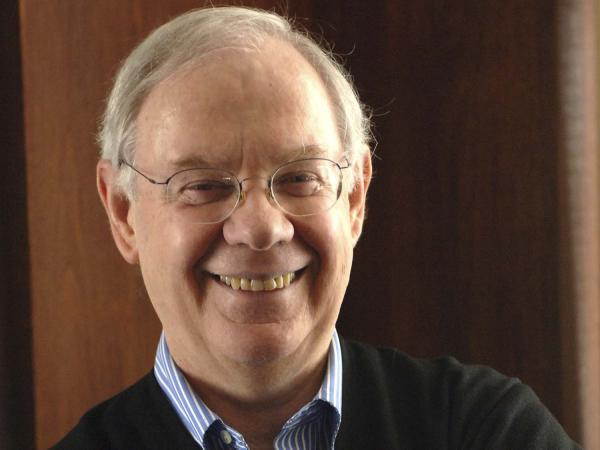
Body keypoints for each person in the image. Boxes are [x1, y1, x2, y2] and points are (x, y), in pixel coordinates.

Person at [53, 6, 580, 450]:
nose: (261, 227)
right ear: (123, 212)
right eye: (204, 186)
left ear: (354, 198)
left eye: (301, 178)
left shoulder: (486, 429)